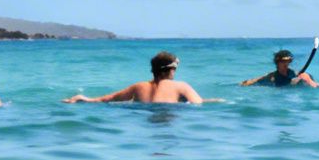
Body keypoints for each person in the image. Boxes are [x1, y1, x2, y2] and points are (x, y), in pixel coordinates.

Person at [64, 52, 212, 104]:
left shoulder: (139, 87)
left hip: (145, 119)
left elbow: (108, 98)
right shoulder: (180, 86)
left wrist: (85, 99)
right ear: (171, 70)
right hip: (168, 119)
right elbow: (198, 104)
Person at [241, 48, 319, 88]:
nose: (286, 64)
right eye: (283, 62)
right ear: (277, 62)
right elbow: (257, 79)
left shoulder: (293, 73)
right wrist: (245, 83)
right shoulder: (272, 76)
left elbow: (303, 74)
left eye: (288, 61)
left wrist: (310, 82)